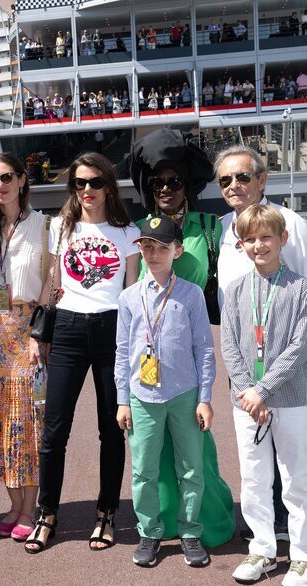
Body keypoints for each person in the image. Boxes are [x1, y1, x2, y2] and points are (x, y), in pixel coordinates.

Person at [214, 145, 307, 543]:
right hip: (247, 363)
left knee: (302, 449)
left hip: (290, 357)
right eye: (226, 180)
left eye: (243, 177)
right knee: (257, 450)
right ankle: (268, 527)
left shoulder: (290, 224)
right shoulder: (222, 229)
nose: (234, 185)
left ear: (262, 179)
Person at [25, 152, 141, 554]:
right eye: (80, 183)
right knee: (54, 431)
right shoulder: (60, 226)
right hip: (69, 329)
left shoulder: (129, 232)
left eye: (95, 182)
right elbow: (52, 282)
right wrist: (35, 334)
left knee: (112, 430)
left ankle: (107, 513)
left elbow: (132, 291)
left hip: (114, 330)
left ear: (109, 185)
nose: (87, 190)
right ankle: (47, 514)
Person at [129, 129, 235, 549]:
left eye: (174, 181)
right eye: (158, 182)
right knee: (154, 455)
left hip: (189, 360)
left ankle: (208, 523)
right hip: (146, 364)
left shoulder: (211, 227)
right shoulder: (137, 233)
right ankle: (162, 524)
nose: (167, 189)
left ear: (187, 184)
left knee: (197, 452)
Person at [221, 203, 307, 586]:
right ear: (240, 244)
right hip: (246, 402)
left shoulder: (301, 288)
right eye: (250, 239)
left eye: (266, 237)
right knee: (254, 478)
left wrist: (263, 389)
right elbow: (229, 344)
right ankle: (261, 548)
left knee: (297, 479)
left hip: (290, 398)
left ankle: (305, 556)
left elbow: (298, 348)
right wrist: (248, 390)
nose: (258, 245)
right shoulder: (235, 289)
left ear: (283, 239)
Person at [115, 216, 215, 568]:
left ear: (178, 250)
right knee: (144, 469)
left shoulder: (191, 295)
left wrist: (204, 398)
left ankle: (190, 533)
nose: (153, 254)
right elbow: (122, 351)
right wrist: (122, 400)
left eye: (161, 247)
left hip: (184, 394)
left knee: (191, 468)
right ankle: (150, 532)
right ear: (139, 250)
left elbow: (204, 348)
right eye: (147, 246)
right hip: (142, 398)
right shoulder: (128, 298)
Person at [0, 153, 48, 542]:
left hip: (25, 332)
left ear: (21, 180)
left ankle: (30, 506)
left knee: (27, 419)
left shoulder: (43, 226)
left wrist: (39, 333)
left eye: (6, 177)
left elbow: (50, 283)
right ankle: (12, 503)